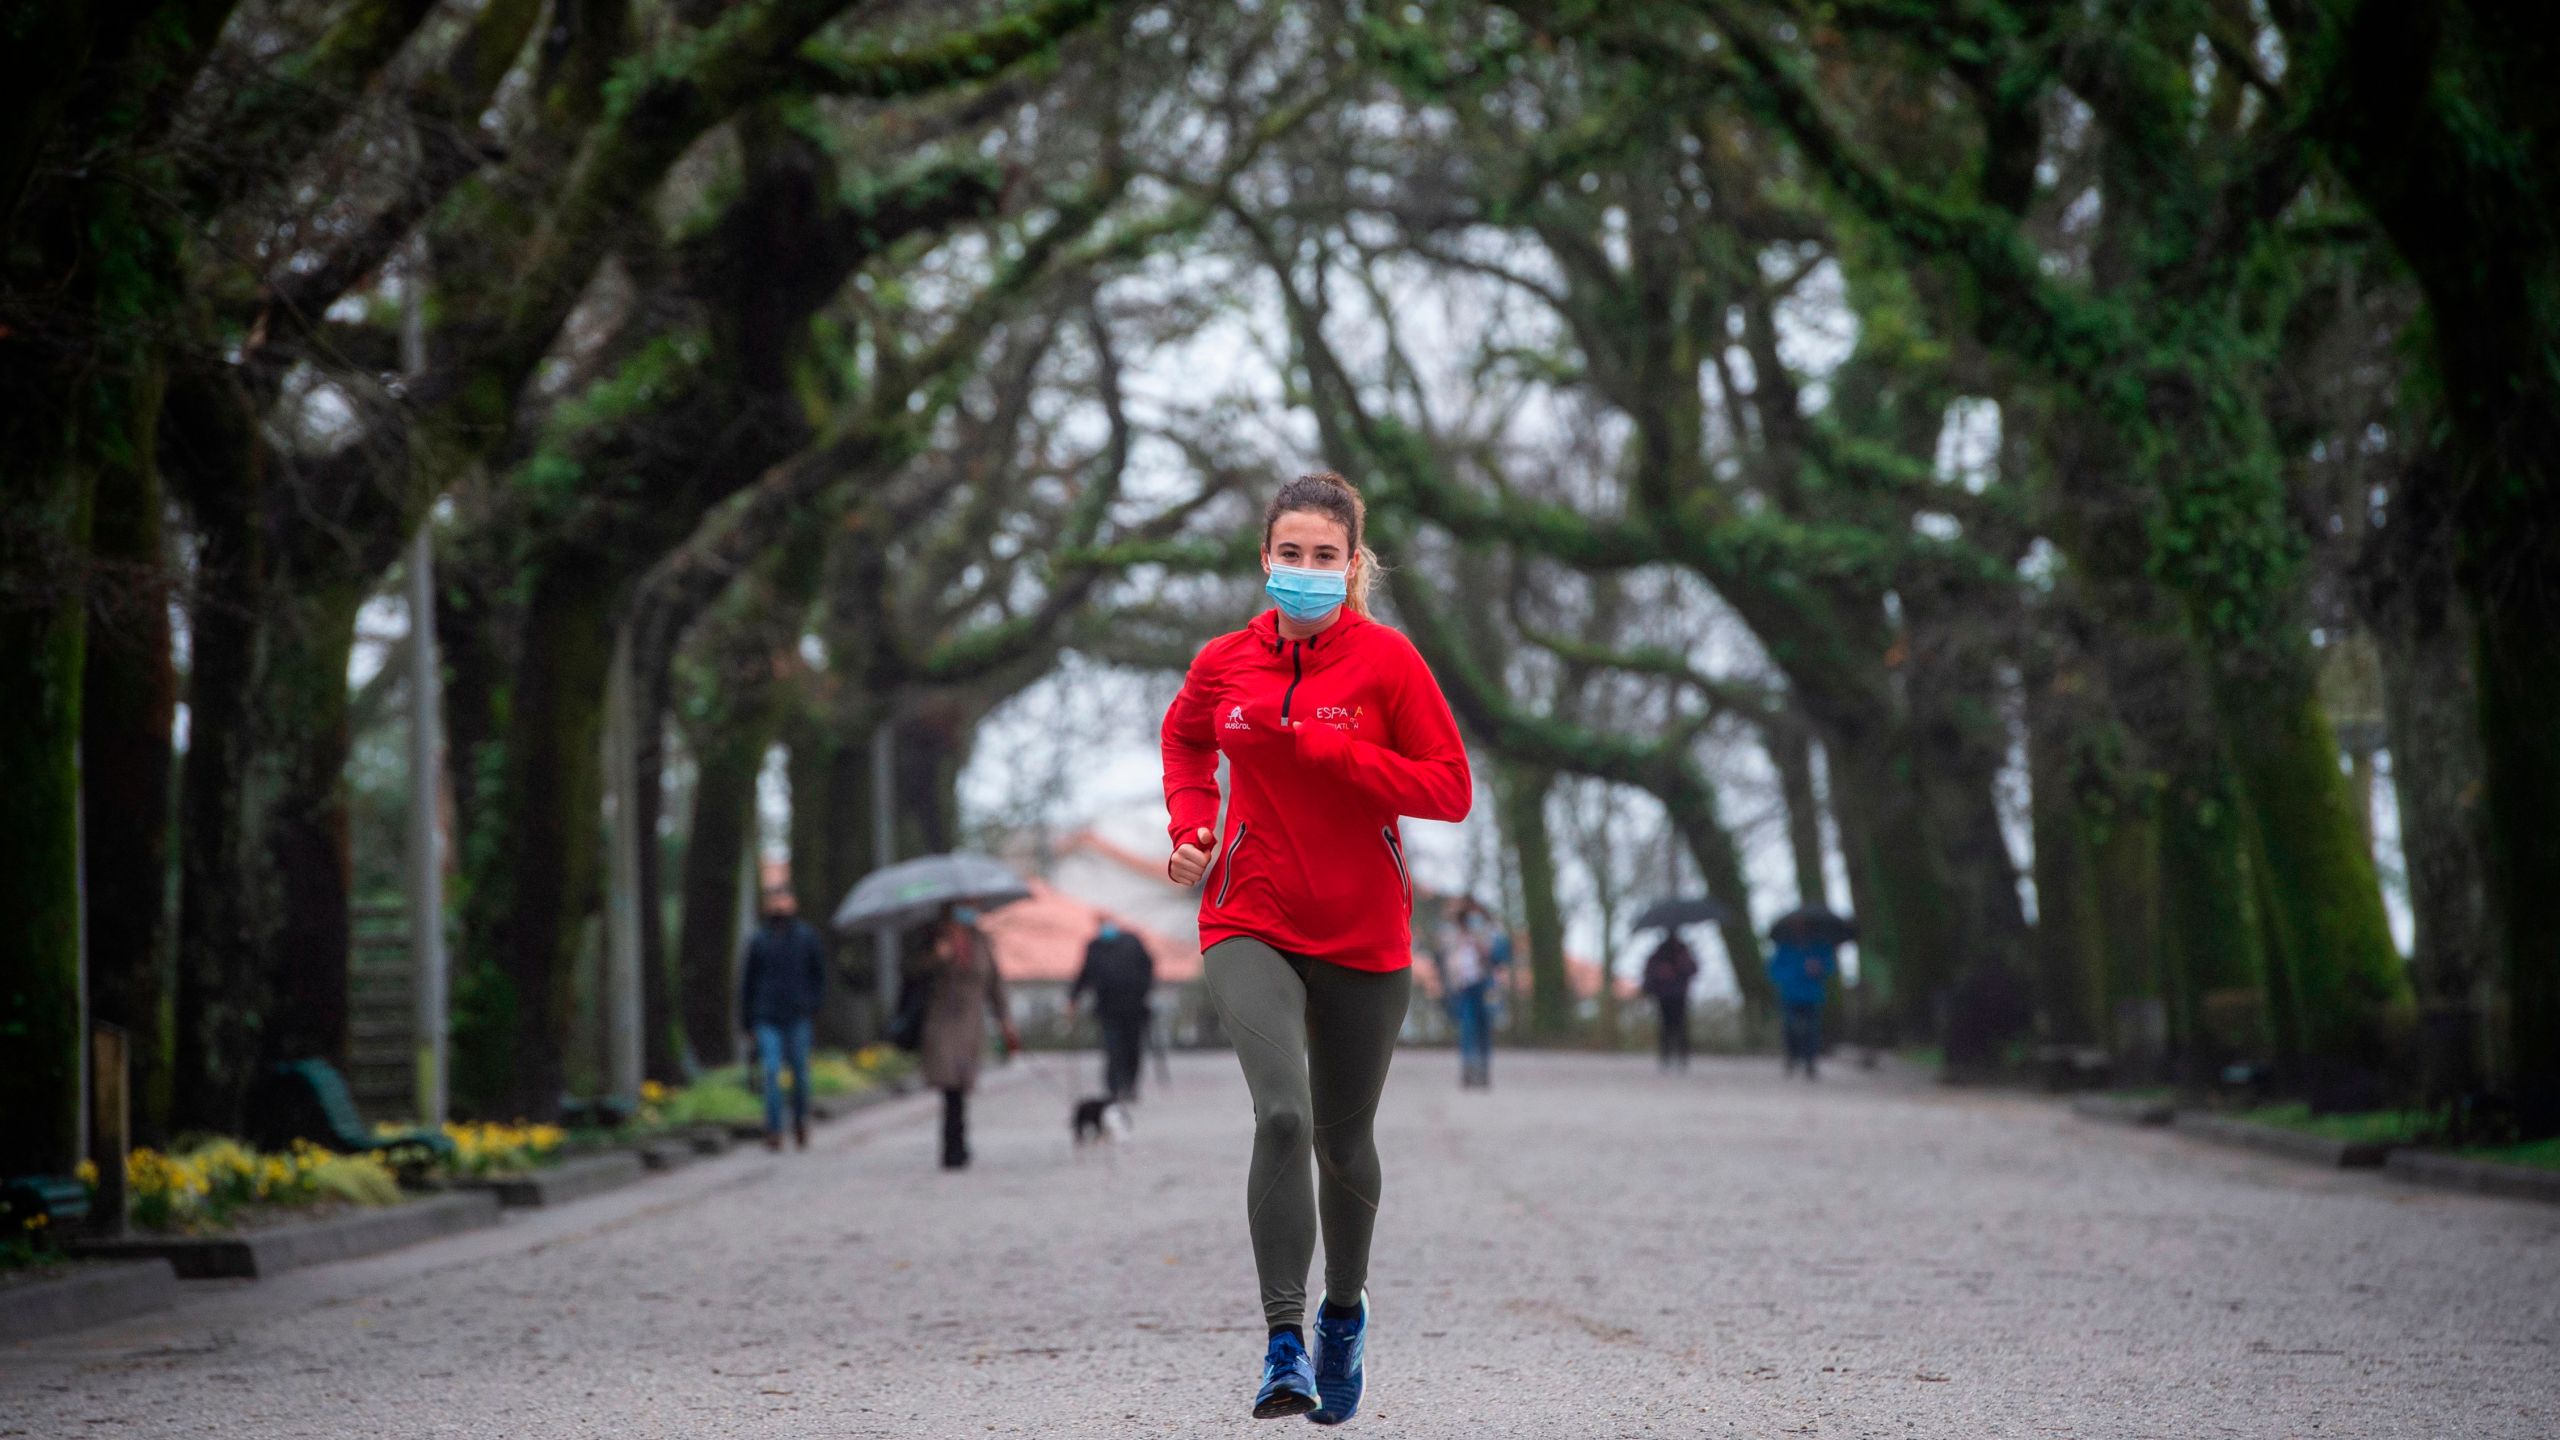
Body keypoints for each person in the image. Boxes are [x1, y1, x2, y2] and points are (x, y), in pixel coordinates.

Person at [1161, 470, 1472, 1424]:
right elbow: (1185, 742)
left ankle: (1344, 1317)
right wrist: (1192, 826)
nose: (1304, 570)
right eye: (1288, 554)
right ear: (1265, 559)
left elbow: (1449, 789)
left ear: (1351, 565)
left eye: (1323, 557)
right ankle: (1284, 1343)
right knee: (1283, 1118)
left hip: (1364, 933)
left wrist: (1339, 754)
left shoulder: (1387, 665)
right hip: (1247, 915)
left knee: (1345, 1141)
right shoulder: (1225, 662)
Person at [918, 902, 1019, 1169]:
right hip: (942, 1021)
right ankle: (953, 1146)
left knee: (962, 1083)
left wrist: (1004, 1018)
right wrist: (937, 957)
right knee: (949, 1083)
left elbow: (994, 982)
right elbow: (912, 973)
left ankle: (959, 1141)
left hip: (971, 1024)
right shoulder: (933, 938)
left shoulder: (981, 940)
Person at [739, 887, 826, 1151]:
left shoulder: (806, 937)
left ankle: (800, 1120)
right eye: (774, 901)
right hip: (766, 1016)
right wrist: (747, 1021)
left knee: (800, 1074)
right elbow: (748, 983)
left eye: (783, 900)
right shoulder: (759, 940)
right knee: (771, 1072)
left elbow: (818, 975)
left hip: (797, 1016)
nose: (779, 906)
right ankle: (774, 1129)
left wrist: (812, 1006)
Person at [1069, 917, 1155, 1101]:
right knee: (1112, 1049)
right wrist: (1073, 997)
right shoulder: (1095, 947)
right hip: (1107, 1009)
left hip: (1134, 1008)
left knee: (1132, 1049)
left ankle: (1130, 1085)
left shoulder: (1133, 943)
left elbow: (1148, 968)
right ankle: (1113, 1089)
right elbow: (1084, 973)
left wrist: (1144, 991)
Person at [1435, 900, 1502, 1090]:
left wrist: (1482, 945)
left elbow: (1497, 957)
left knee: (1484, 1030)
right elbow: (1445, 959)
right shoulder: (1453, 937)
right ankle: (1469, 1073)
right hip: (1463, 988)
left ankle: (1483, 1074)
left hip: (1484, 986)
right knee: (1467, 1029)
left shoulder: (1488, 934)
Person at [1769, 936, 1839, 1078]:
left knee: (1812, 1030)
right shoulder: (1785, 948)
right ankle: (1792, 1056)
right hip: (1790, 995)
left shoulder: (1820, 947)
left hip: (1812, 995)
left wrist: (1819, 969)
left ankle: (1810, 1062)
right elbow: (1773, 970)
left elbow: (1830, 968)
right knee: (1790, 1027)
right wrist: (1791, 976)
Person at [1640, 932, 1699, 1073]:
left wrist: (1678, 968)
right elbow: (1650, 973)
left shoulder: (1681, 952)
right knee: (1669, 1027)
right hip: (1667, 995)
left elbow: (1692, 969)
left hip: (1677, 994)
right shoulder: (1661, 953)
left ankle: (1679, 1057)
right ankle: (1668, 1057)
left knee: (1677, 1027)